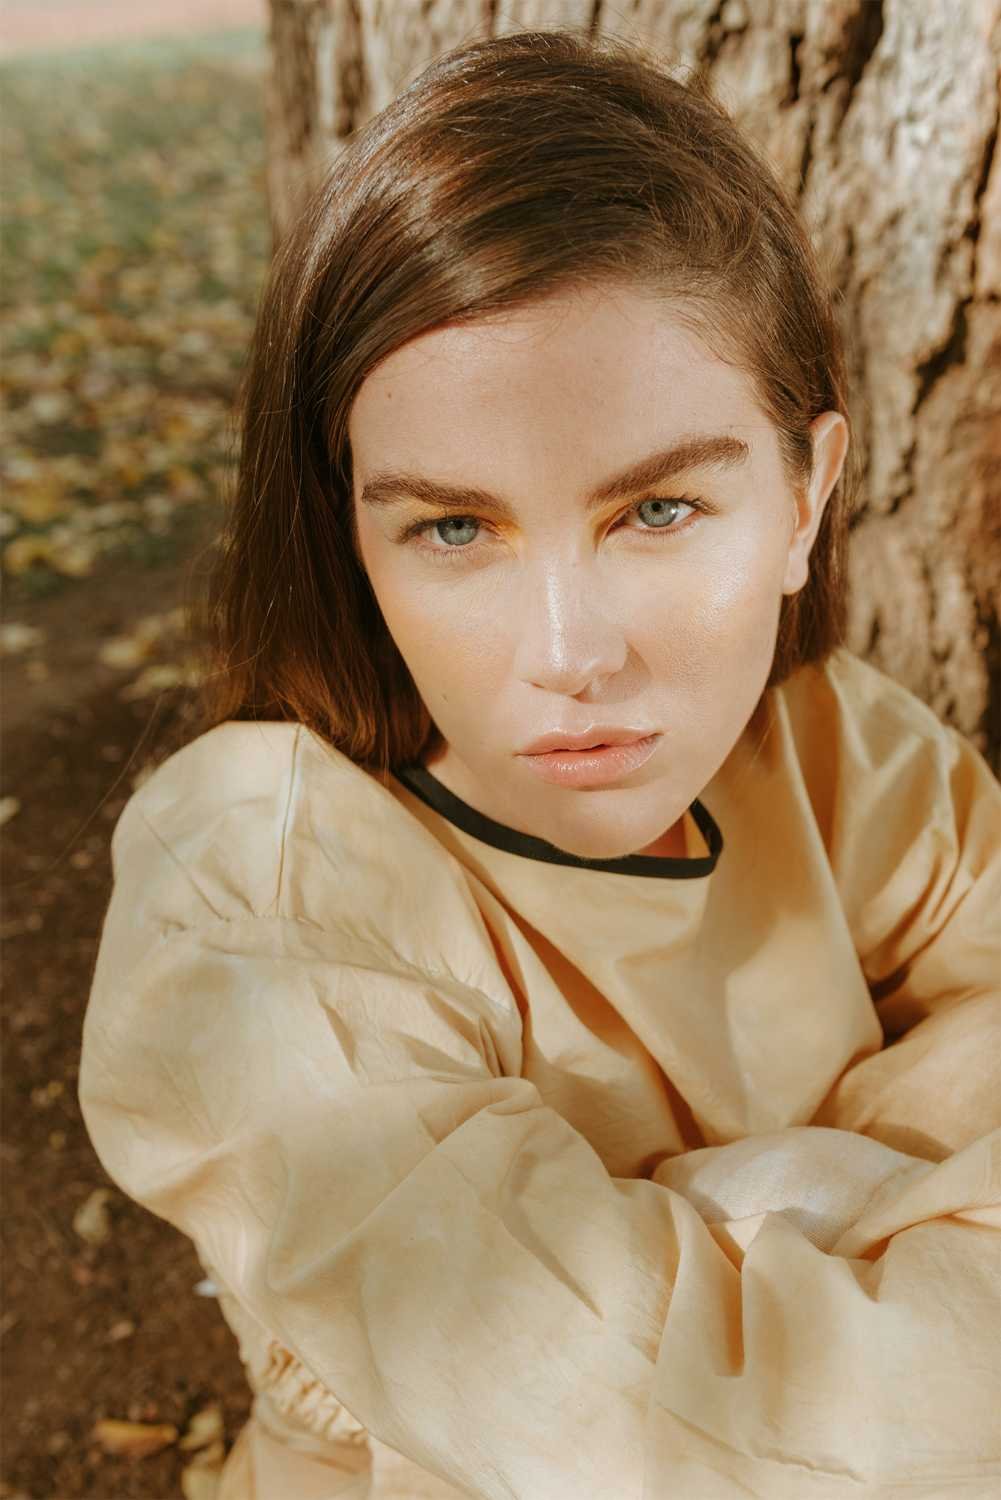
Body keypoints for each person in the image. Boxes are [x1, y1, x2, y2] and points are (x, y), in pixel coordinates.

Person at [77, 25, 1001, 1500]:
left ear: (803, 500)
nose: (569, 654)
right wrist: (869, 1192)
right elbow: (651, 1434)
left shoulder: (830, 745)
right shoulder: (259, 889)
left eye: (656, 512)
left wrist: (771, 1205)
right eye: (454, 528)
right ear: (349, 535)